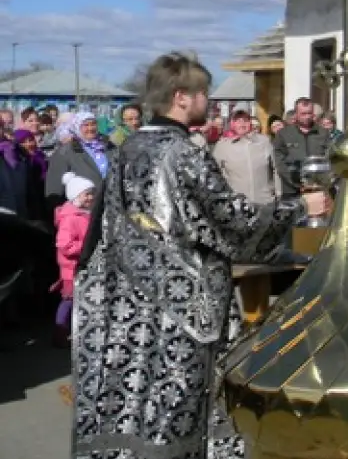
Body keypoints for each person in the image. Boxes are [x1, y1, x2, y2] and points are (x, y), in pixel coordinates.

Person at [69, 51, 312, 459]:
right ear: (182, 97)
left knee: (139, 398)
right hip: (185, 308)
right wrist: (302, 208)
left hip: (130, 303)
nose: (210, 103)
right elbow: (233, 221)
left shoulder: (128, 151)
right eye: (204, 94)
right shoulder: (183, 153)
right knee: (180, 401)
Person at [52, 172, 93, 348]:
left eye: (92, 193)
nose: (91, 197)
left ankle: (78, 331)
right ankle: (60, 332)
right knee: (69, 300)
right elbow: (64, 246)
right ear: (76, 196)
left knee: (82, 300)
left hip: (83, 265)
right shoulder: (70, 219)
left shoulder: (86, 214)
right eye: (87, 194)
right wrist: (85, 246)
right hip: (72, 268)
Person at [45, 112, 114, 211]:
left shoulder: (108, 146)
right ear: (77, 127)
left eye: (93, 124)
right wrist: (57, 208)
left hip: (108, 205)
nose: (90, 128)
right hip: (80, 208)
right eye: (85, 125)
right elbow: (54, 184)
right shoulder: (66, 150)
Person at [212, 110, 278, 205]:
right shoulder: (223, 145)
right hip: (237, 205)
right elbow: (215, 174)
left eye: (245, 120)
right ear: (232, 124)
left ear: (250, 122)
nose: (242, 124)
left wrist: (278, 193)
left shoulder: (264, 141)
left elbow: (276, 169)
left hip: (265, 202)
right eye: (238, 121)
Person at [273, 97, 332, 200]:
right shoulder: (284, 134)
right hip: (292, 190)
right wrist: (297, 184)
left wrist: (319, 182)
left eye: (309, 113)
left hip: (317, 189)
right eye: (303, 114)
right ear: (296, 114)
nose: (307, 117)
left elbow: (329, 159)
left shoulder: (323, 133)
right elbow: (280, 163)